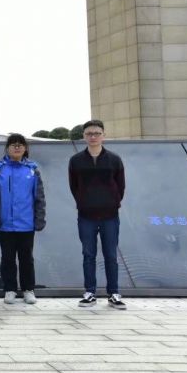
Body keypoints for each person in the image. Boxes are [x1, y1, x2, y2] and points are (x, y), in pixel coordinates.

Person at [69, 119, 126, 310]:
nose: (93, 137)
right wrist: (84, 202)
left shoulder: (114, 159)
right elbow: (74, 186)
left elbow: (121, 185)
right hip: (86, 216)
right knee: (88, 254)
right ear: (84, 136)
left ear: (103, 135)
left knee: (111, 255)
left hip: (110, 215)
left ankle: (114, 293)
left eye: (96, 133)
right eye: (89, 134)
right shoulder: (76, 160)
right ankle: (90, 293)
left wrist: (112, 202)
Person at [0, 134, 46, 305]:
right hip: (5, 224)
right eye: (13, 144)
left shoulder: (32, 170)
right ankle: (10, 289)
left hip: (26, 224)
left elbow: (39, 197)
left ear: (25, 148)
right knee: (8, 258)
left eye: (20, 145)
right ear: (7, 148)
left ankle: (28, 289)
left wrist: (39, 218)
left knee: (26, 258)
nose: (17, 147)